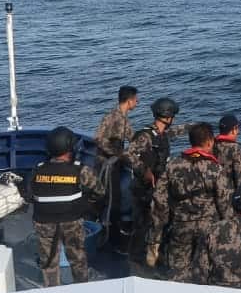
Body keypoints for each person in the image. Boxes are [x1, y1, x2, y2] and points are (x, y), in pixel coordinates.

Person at [147, 121, 233, 282]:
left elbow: (159, 199)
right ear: (209, 142)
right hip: (209, 228)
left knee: (177, 270)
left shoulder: (173, 166)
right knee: (207, 269)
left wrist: (158, 230)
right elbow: (225, 204)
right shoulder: (216, 169)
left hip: (181, 226)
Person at [23, 127, 103, 287]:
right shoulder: (80, 170)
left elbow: (29, 195)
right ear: (69, 149)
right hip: (71, 222)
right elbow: (100, 191)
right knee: (77, 259)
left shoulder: (37, 170)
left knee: (49, 262)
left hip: (44, 223)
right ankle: (82, 288)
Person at [125, 97, 191, 269]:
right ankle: (136, 261)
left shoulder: (161, 135)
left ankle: (152, 257)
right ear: (168, 117)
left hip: (157, 188)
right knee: (142, 225)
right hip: (143, 188)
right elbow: (129, 155)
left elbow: (176, 132)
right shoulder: (145, 136)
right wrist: (143, 170)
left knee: (157, 222)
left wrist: (197, 128)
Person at [93, 85, 137, 252]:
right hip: (107, 164)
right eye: (135, 99)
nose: (137, 102)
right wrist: (116, 153)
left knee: (118, 195)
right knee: (113, 199)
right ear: (129, 100)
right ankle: (111, 235)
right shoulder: (111, 117)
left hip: (116, 162)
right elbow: (98, 139)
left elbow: (133, 138)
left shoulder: (124, 119)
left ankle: (117, 227)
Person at [213, 113, 241, 194]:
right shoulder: (235, 148)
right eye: (237, 128)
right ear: (233, 130)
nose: (238, 131)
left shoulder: (211, 144)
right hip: (228, 193)